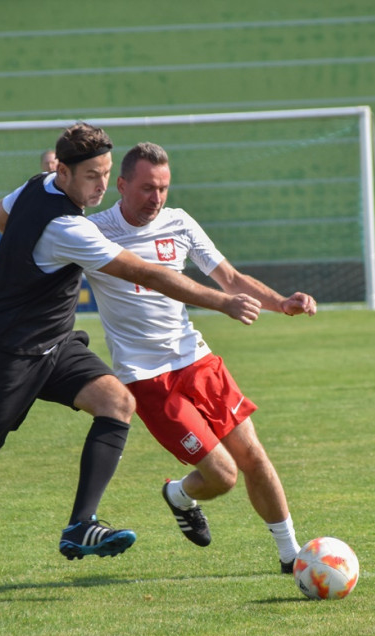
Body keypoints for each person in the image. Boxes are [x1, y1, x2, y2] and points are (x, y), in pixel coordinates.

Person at [0, 123, 262, 599]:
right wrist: (222, 301)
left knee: (117, 403)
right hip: (5, 355)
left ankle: (80, 525)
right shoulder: (68, 226)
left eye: (106, 174)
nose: (100, 186)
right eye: (91, 176)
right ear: (65, 172)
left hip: (55, 344)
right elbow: (147, 273)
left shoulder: (39, 185)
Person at [85, 142, 315, 573]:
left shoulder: (179, 222)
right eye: (148, 188)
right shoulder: (94, 232)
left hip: (197, 360)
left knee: (254, 455)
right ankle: (179, 494)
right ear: (121, 185)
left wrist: (281, 302)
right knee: (223, 476)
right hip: (146, 377)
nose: (157, 198)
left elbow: (229, 278)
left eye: (164, 188)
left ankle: (291, 556)